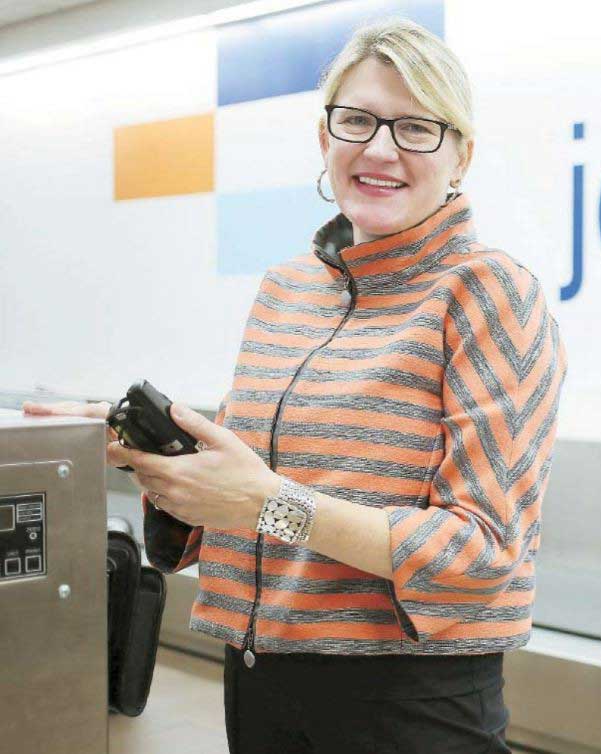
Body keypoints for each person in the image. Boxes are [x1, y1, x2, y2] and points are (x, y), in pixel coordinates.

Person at [24, 17, 566, 754]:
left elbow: (484, 555)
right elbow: (243, 503)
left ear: (461, 154)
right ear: (325, 139)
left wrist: (268, 504)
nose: (380, 148)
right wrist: (167, 464)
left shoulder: (488, 294)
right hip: (258, 682)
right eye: (358, 121)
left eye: (416, 128)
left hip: (408, 707)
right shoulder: (287, 291)